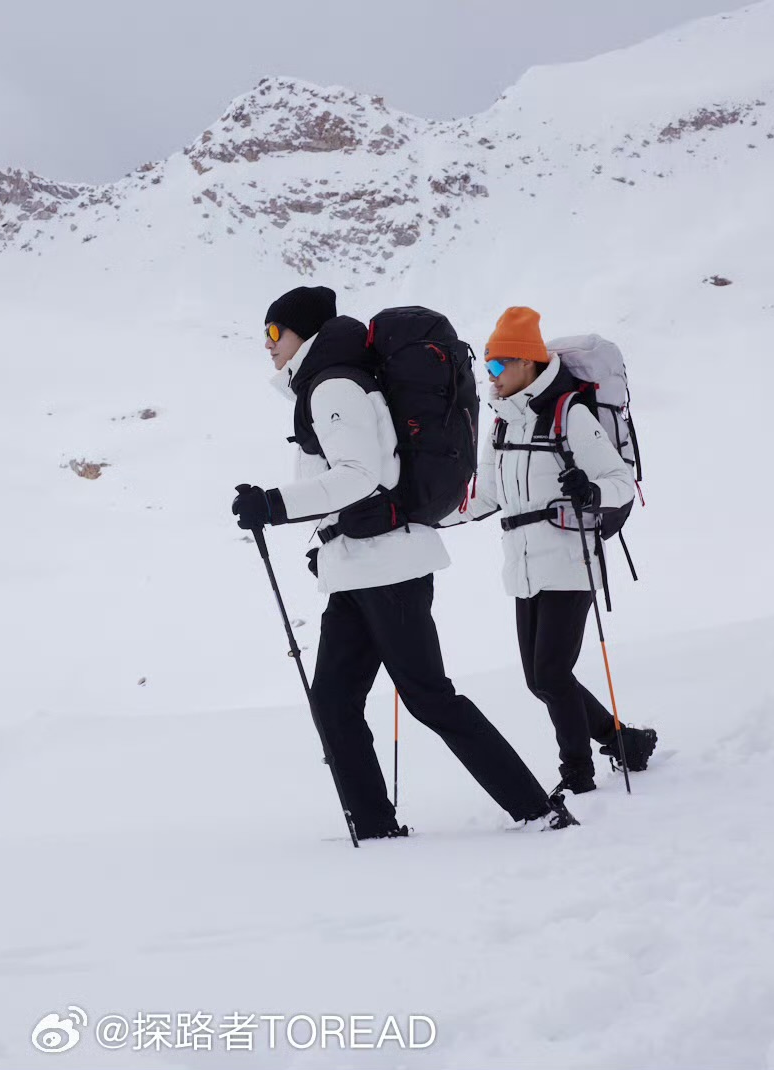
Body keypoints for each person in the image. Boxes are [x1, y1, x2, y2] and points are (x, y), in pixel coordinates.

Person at [231, 285, 577, 835]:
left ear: (303, 332)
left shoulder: (334, 386)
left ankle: (536, 810)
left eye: (275, 332)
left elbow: (358, 476)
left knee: (428, 698)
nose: (268, 345)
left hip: (385, 568)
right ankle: (373, 826)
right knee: (335, 702)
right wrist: (328, 544)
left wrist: (273, 505)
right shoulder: (330, 380)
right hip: (363, 567)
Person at [466, 306, 658, 795]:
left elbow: (617, 481)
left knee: (552, 673)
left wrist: (590, 491)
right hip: (523, 565)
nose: (490, 377)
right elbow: (485, 496)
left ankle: (577, 774)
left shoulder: (569, 412)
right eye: (486, 366)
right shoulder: (501, 424)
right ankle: (623, 741)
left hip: (572, 557)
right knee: (539, 680)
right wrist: (424, 514)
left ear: (527, 363)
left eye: (497, 365)